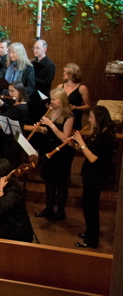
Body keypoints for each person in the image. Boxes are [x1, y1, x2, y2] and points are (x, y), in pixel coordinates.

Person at [71, 106, 116, 249]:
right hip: (90, 175)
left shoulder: (106, 137)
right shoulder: (98, 133)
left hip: (96, 176)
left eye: (91, 117)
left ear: (99, 118)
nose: (89, 120)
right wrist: (75, 145)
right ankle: (89, 232)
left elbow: (92, 158)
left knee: (91, 207)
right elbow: (89, 151)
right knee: (87, 205)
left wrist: (82, 143)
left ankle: (92, 241)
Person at [35, 87, 75, 222]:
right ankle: (49, 208)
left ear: (61, 100)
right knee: (49, 181)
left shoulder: (69, 116)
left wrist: (51, 125)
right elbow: (49, 132)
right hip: (48, 149)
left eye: (54, 99)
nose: (51, 102)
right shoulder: (51, 111)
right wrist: (40, 129)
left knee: (61, 183)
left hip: (61, 153)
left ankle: (60, 211)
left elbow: (64, 137)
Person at [0, 159, 34, 242]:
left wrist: (0, 189)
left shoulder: (13, 190)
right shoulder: (7, 185)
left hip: (16, 230)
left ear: (0, 175)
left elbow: (2, 208)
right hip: (7, 223)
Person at [0, 81, 29, 164]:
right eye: (9, 90)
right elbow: (8, 108)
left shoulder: (19, 108)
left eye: (12, 91)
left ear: (20, 91)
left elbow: (2, 118)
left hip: (13, 140)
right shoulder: (17, 103)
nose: (10, 93)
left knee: (9, 163)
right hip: (11, 138)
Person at [57, 63, 91, 130]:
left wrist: (76, 108)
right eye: (64, 71)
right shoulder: (60, 86)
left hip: (75, 117)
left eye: (66, 71)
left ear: (73, 72)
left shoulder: (82, 88)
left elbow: (88, 106)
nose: (64, 73)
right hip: (61, 117)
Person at [29, 39, 56, 124]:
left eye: (38, 48)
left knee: (37, 122)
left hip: (41, 98)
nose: (35, 50)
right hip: (31, 96)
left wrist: (32, 78)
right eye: (34, 48)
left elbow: (47, 82)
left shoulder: (50, 65)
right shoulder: (32, 62)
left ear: (45, 49)